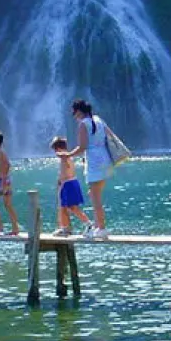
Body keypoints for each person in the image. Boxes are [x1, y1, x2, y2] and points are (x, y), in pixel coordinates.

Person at [64, 98, 114, 239]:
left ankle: (101, 228)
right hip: (105, 159)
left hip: (94, 162)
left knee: (95, 197)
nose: (74, 116)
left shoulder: (83, 125)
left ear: (79, 111)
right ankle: (98, 226)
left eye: (74, 113)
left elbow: (82, 147)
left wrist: (67, 155)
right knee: (94, 194)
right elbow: (109, 136)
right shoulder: (99, 120)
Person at [51, 137, 92, 237]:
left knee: (73, 207)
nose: (55, 153)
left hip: (69, 184)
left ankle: (89, 224)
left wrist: (60, 153)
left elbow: (63, 155)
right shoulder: (65, 158)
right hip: (66, 184)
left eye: (55, 150)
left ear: (59, 149)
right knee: (63, 208)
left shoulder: (66, 156)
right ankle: (65, 228)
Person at [0, 131, 20, 236]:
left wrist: (3, 180)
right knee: (8, 205)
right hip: (5, 181)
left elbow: (7, 165)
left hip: (2, 182)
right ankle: (15, 228)